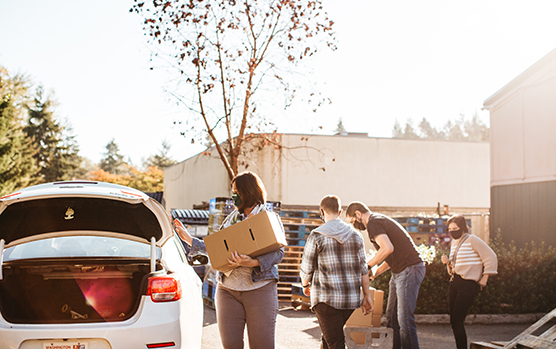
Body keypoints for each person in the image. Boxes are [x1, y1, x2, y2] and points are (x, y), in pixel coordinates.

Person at [174, 171, 284, 349]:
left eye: (236, 191)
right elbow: (217, 249)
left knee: (262, 345)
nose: (233, 196)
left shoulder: (268, 219)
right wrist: (189, 240)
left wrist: (253, 263)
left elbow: (279, 253)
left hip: (259, 290)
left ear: (248, 192)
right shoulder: (230, 220)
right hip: (227, 290)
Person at [346, 201, 425, 349]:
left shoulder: (373, 223)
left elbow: (387, 248)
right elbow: (390, 256)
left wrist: (367, 266)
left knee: (404, 320)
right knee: (392, 318)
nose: (355, 225)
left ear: (358, 214)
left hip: (409, 269)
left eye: (352, 221)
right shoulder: (378, 220)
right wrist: (375, 273)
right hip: (400, 271)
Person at [300, 195, 373, 349]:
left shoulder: (316, 236)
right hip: (350, 300)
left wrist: (305, 284)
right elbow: (363, 269)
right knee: (329, 339)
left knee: (335, 343)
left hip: (326, 299)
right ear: (340, 212)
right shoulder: (356, 236)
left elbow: (307, 267)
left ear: (321, 211)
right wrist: (366, 296)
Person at [441, 215, 498, 349]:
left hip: (468, 284)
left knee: (457, 320)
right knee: (453, 320)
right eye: (450, 229)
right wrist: (447, 263)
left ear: (463, 228)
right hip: (455, 282)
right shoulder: (454, 243)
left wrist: (485, 278)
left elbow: (491, 256)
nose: (452, 231)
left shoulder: (472, 239)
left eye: (455, 228)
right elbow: (454, 267)